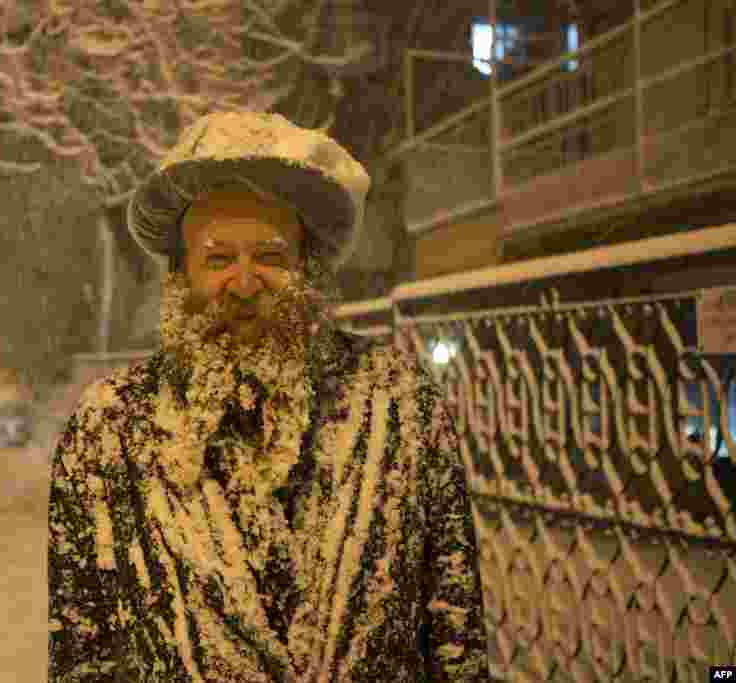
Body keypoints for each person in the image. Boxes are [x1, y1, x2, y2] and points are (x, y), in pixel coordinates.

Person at [49, 111, 490, 682]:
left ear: (306, 269)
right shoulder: (108, 429)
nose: (245, 281)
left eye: (270, 255)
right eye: (217, 258)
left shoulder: (400, 405)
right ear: (180, 273)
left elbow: (455, 637)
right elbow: (84, 661)